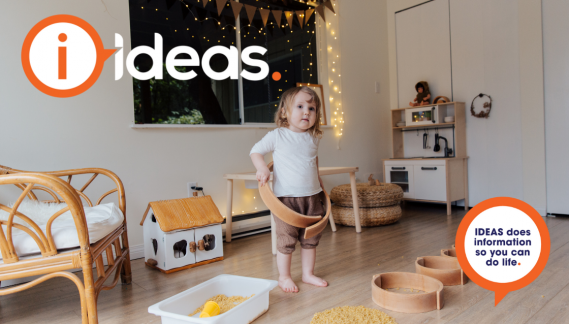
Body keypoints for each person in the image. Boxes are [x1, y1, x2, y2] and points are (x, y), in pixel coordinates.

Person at [250, 86, 328, 293]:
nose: (306, 112)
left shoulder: (313, 137)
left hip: (312, 197)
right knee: (286, 239)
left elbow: (313, 162)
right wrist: (261, 169)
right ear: (284, 111)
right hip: (286, 200)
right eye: (300, 106)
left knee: (311, 238)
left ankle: (308, 274)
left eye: (312, 108)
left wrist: (319, 184)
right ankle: (284, 277)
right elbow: (256, 151)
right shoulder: (278, 135)